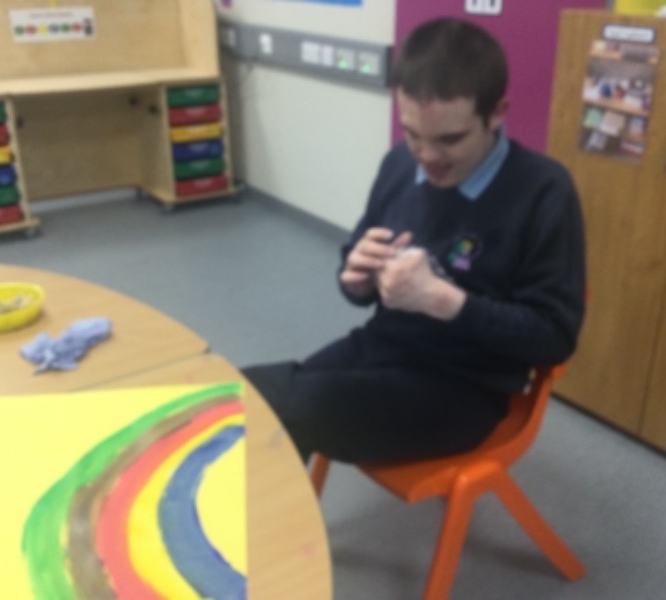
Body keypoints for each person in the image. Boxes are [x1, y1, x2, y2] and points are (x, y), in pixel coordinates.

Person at [242, 17, 585, 465]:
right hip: (385, 345)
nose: (427, 157)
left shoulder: (545, 191)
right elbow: (357, 269)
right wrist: (357, 279)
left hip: (467, 387)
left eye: (449, 139)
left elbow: (554, 338)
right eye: (412, 134)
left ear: (497, 113)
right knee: (248, 399)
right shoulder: (400, 164)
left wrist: (445, 302)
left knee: (291, 406)